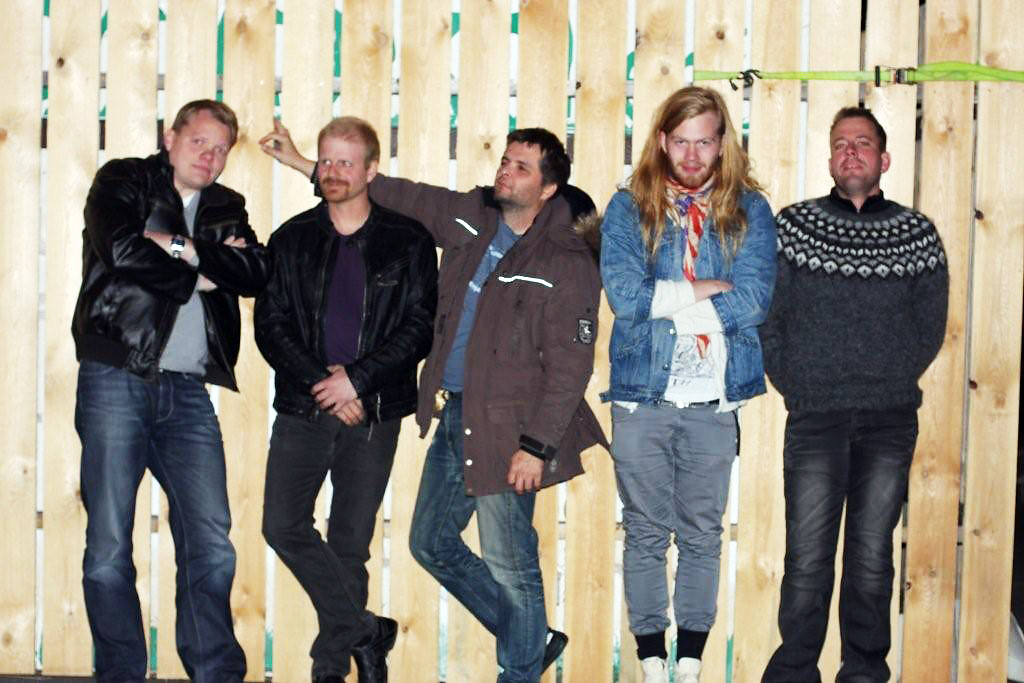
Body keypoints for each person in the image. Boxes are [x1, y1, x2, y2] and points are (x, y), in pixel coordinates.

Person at [260, 122, 606, 682]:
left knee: (510, 560)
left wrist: (536, 446)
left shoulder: (565, 261)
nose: (505, 171)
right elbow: (398, 194)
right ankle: (531, 639)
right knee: (431, 543)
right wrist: (308, 166)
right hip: (459, 413)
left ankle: (519, 670)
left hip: (512, 426)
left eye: (521, 168)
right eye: (505, 160)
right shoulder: (474, 216)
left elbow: (571, 366)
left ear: (547, 189)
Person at [72, 99, 269, 681]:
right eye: (199, 142)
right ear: (170, 137)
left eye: (220, 150)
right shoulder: (124, 181)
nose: (209, 157)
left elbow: (256, 272)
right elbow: (121, 250)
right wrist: (202, 274)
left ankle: (216, 673)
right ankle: (121, 674)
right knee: (109, 547)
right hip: (116, 376)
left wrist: (179, 247)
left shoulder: (226, 206)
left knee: (212, 544)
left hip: (187, 394)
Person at [760, 107, 948, 682]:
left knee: (871, 557)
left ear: (883, 159)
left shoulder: (916, 234)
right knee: (807, 558)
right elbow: (769, 314)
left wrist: (889, 377)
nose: (851, 151)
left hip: (890, 418)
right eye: (841, 143)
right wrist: (795, 381)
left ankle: (864, 673)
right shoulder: (793, 228)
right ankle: (795, 672)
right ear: (829, 159)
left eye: (862, 143)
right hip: (814, 414)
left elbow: (929, 326)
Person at [599, 86, 777, 683]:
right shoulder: (628, 208)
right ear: (661, 141)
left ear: (722, 143)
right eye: (681, 142)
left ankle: (692, 664)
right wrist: (705, 290)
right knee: (645, 533)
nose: (693, 155)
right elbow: (625, 298)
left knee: (703, 534)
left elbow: (753, 302)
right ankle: (652, 663)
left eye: (704, 142)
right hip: (640, 397)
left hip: (713, 401)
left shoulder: (750, 211)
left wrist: (667, 305)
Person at [256, 116, 437, 683]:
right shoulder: (291, 239)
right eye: (326, 160)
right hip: (304, 407)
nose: (333, 171)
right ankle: (365, 629)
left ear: (371, 170)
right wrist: (326, 384)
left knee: (349, 544)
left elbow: (419, 327)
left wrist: (356, 381)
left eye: (345, 162)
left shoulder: (408, 240)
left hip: (374, 412)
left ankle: (331, 669)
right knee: (282, 525)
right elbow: (271, 326)